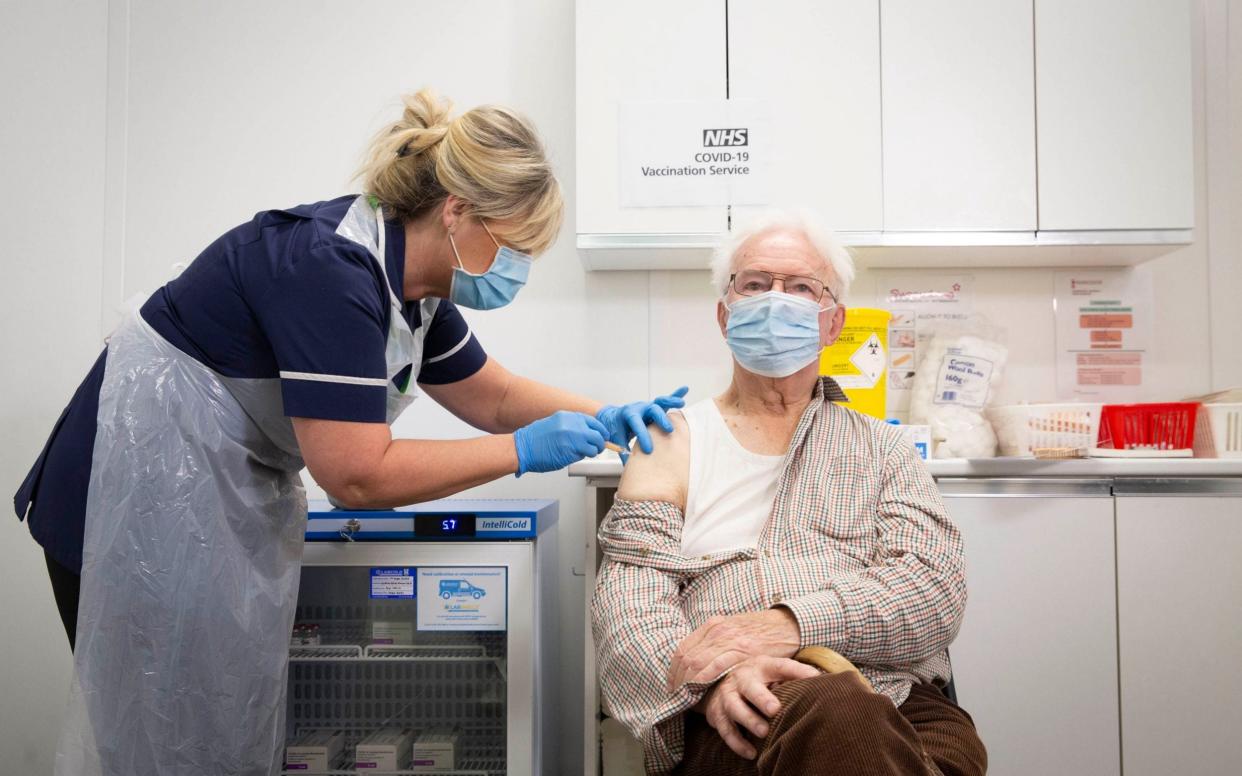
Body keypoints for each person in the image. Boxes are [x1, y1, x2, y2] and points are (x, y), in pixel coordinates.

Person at [13, 88, 685, 776]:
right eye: (514, 246)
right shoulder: (329, 271)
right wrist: (521, 452)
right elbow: (357, 474)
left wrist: (610, 418)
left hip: (206, 492)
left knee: (210, 724)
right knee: (159, 736)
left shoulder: (416, 292)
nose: (519, 268)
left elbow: (497, 394)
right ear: (457, 212)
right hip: (130, 488)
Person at [591, 212, 986, 775]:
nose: (777, 301)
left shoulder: (884, 449)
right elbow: (627, 609)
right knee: (842, 718)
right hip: (740, 712)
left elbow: (933, 590)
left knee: (863, 722)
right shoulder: (671, 440)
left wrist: (789, 624)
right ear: (725, 316)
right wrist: (714, 686)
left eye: (801, 287)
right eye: (755, 284)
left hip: (899, 701)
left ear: (832, 324)